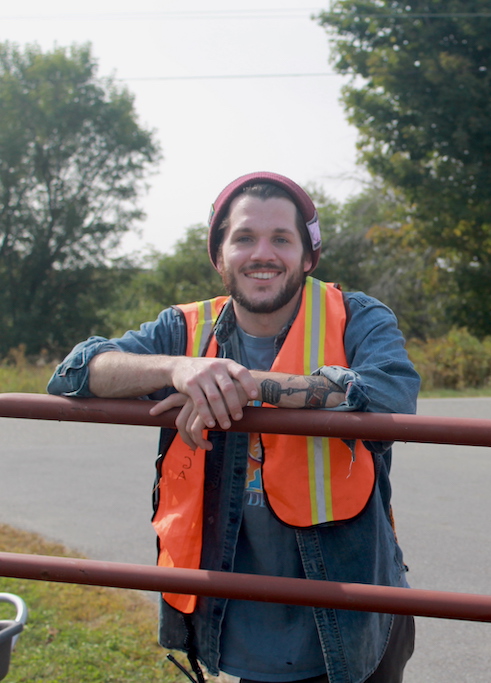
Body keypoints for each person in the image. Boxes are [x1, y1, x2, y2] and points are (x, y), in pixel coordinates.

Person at [47, 172, 419, 683]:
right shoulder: (184, 330)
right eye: (243, 237)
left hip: (355, 620)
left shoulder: (356, 316)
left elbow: (392, 393)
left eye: (281, 239)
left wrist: (244, 385)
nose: (261, 253)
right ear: (218, 255)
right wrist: (176, 369)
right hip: (243, 630)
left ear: (308, 257)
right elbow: (74, 371)